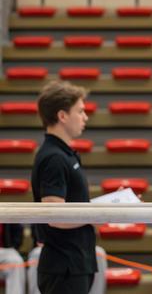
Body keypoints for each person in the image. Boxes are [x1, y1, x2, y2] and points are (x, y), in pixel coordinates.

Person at [30, 80, 97, 294]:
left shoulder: (63, 154)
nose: (85, 117)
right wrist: (97, 214)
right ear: (62, 116)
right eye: (80, 111)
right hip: (63, 266)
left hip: (75, 262)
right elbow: (55, 215)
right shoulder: (54, 158)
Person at [27, 228, 107, 294]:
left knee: (99, 253)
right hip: (62, 260)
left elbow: (99, 222)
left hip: (81, 257)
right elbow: (51, 222)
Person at [0, 223, 26, 294]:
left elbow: (18, 234)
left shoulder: (7, 213)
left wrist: (14, 245)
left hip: (5, 250)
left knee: (16, 261)